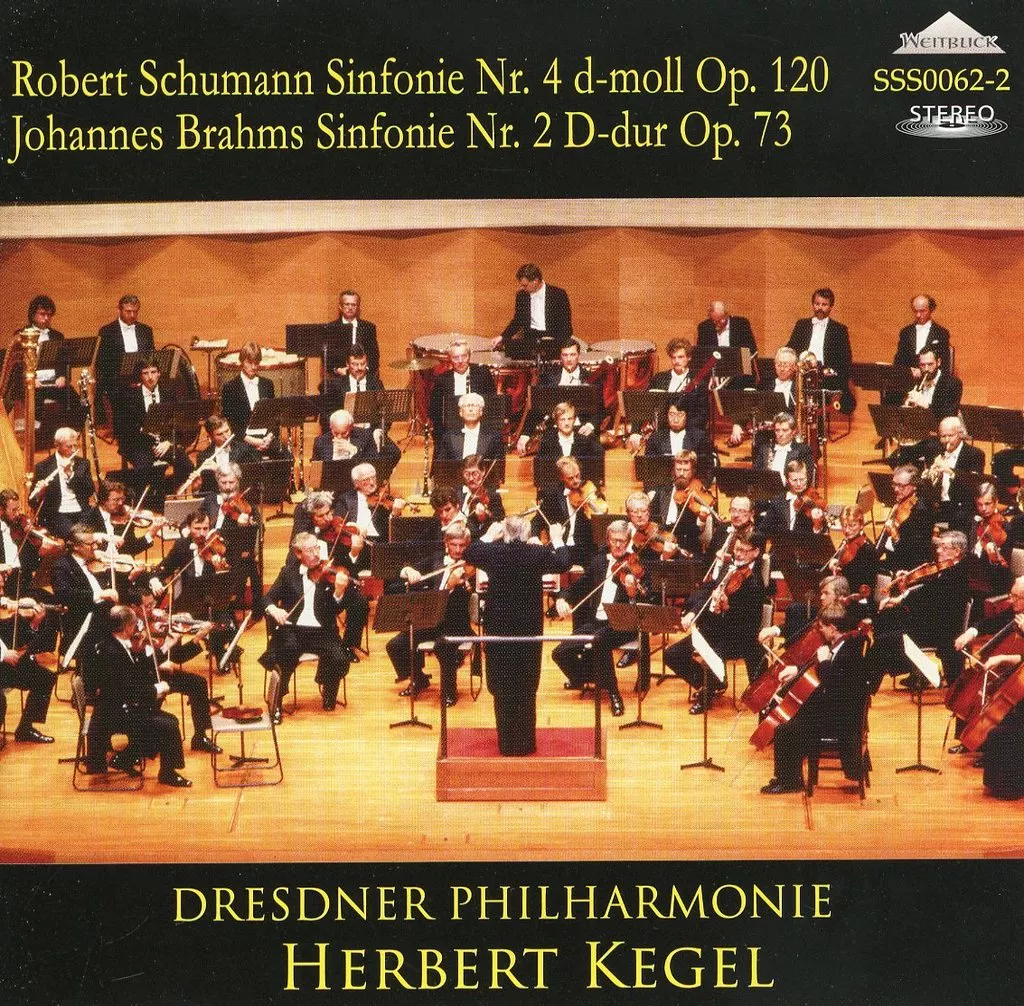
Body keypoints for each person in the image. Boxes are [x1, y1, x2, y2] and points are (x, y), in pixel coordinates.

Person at [465, 515, 571, 755]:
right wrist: (557, 539)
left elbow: (470, 552)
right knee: (526, 685)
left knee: (502, 686)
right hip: (528, 629)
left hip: (499, 629)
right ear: (526, 534)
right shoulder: (536, 553)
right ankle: (525, 744)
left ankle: (506, 744)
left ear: (505, 533)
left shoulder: (493, 552)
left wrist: (489, 535)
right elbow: (564, 562)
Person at [760, 603, 872, 794]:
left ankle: (789, 781)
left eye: (823, 627)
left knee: (785, 727)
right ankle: (788, 777)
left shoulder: (848, 653)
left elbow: (835, 687)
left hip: (842, 720)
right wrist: (798, 670)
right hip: (838, 708)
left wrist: (825, 662)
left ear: (833, 628)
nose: (820, 631)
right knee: (790, 716)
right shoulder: (843, 644)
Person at [83, 604, 191, 787]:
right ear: (126, 628)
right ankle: (167, 773)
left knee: (166, 720)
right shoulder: (113, 653)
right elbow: (129, 690)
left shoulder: (114, 644)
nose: (136, 629)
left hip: (118, 706)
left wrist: (161, 649)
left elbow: (133, 674)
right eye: (134, 625)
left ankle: (126, 758)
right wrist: (157, 689)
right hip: (115, 713)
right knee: (168, 725)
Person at [663, 530, 767, 713]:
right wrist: (692, 614)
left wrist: (727, 608)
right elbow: (707, 589)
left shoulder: (755, 583)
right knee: (672, 655)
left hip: (738, 636)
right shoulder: (730, 567)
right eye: (736, 549)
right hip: (713, 629)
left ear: (756, 552)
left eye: (743, 550)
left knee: (712, 655)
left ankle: (707, 693)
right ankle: (714, 683)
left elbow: (749, 623)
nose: (738, 554)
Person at [552, 521, 649, 715]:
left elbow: (646, 598)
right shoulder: (598, 562)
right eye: (614, 540)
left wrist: (632, 593)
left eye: (622, 541)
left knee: (600, 641)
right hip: (596, 622)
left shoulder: (636, 564)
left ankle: (614, 693)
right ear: (608, 540)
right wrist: (562, 598)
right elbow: (578, 587)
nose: (618, 545)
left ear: (628, 541)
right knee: (560, 653)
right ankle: (586, 678)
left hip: (622, 624)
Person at [258, 532, 359, 718]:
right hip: (292, 629)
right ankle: (277, 700)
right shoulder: (288, 573)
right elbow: (267, 598)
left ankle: (328, 690)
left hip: (322, 631)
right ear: (298, 553)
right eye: (310, 550)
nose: (316, 554)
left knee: (339, 657)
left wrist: (338, 592)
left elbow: (335, 610)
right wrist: (274, 609)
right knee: (286, 650)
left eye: (317, 548)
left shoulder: (328, 573)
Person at [388, 524, 475, 705]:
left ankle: (449, 691)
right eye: (454, 545)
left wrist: (452, 585)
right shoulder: (436, 560)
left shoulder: (471, 568)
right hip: (430, 620)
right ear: (446, 543)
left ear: (467, 545)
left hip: (455, 623)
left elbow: (464, 600)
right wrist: (409, 571)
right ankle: (418, 678)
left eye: (462, 545)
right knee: (396, 645)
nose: (458, 550)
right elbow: (404, 569)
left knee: (443, 646)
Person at [113, 356, 194, 505]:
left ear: (159, 373)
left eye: (153, 372)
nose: (150, 377)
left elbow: (178, 424)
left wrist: (168, 442)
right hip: (140, 445)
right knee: (144, 470)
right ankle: (147, 502)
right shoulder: (129, 397)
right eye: (146, 373)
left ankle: (165, 491)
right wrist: (142, 432)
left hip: (164, 444)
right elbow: (122, 428)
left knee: (187, 466)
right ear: (140, 375)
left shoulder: (168, 394)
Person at [0, 567, 55, 744]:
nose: (2, 594)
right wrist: (3, 654)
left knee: (45, 677)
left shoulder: (7, 615)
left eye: (2, 588)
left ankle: (25, 728)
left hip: (6, 663)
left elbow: (23, 643)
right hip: (2, 660)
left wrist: (35, 623)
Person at [787, 287, 855, 413]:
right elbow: (791, 349)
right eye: (817, 304)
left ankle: (817, 418)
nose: (820, 308)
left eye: (824, 305)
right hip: (803, 374)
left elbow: (845, 360)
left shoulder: (839, 330)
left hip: (826, 377)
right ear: (813, 305)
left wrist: (830, 371)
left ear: (831, 307)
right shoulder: (801, 325)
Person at [532, 455, 602, 566]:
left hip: (584, 549)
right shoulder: (552, 495)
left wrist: (591, 503)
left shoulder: (590, 490)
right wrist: (534, 537)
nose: (576, 481)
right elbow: (537, 521)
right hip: (561, 547)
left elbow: (601, 517)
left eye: (577, 475)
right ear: (561, 477)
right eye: (570, 478)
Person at [496, 263, 573, 360]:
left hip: (553, 340)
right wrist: (502, 337)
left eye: (525, 285)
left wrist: (559, 344)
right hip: (530, 340)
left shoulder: (558, 294)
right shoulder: (522, 295)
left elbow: (565, 324)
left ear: (535, 281)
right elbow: (518, 320)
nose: (523, 288)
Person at [30, 427, 96, 540]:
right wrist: (40, 492)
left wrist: (70, 474)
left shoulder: (83, 464)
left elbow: (89, 491)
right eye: (69, 447)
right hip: (57, 514)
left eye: (75, 446)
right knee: (77, 537)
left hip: (81, 511)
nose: (73, 450)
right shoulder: (43, 467)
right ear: (57, 445)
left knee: (93, 535)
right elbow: (31, 501)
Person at [95, 294, 155, 411]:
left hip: (143, 384)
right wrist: (122, 381)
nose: (132, 315)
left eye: (135, 312)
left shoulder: (146, 330)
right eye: (128, 311)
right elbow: (101, 363)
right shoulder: (107, 331)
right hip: (117, 387)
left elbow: (151, 358)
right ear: (119, 310)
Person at [220, 342, 281, 456]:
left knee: (286, 456)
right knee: (247, 456)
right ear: (242, 361)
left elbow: (274, 417)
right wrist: (253, 441)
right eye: (249, 362)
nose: (253, 367)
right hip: (242, 440)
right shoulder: (230, 387)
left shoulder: (267, 384)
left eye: (256, 362)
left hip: (266, 438)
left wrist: (269, 437)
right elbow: (230, 422)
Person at [428, 340, 497, 433]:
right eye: (456, 357)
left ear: (469, 356)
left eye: (464, 356)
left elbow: (492, 405)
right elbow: (434, 412)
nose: (460, 361)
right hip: (452, 432)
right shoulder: (442, 380)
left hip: (480, 430)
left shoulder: (482, 374)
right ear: (449, 358)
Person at [648, 337, 711, 430]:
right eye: (673, 357)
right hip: (663, 430)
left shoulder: (698, 381)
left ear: (689, 357)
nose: (676, 361)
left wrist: (680, 426)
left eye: (680, 357)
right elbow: (645, 405)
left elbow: (703, 414)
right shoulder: (659, 378)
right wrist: (635, 432)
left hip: (689, 430)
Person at [189, 414, 260, 495]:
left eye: (227, 431)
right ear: (211, 437)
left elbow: (252, 482)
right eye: (220, 434)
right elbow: (204, 495)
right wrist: (197, 488)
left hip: (240, 498)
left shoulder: (244, 450)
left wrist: (218, 470)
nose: (226, 437)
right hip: (215, 501)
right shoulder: (203, 457)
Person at [696, 300, 758, 389]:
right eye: (714, 321)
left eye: (720, 320)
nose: (717, 324)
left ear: (727, 315)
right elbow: (701, 355)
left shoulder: (741, 324)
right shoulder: (704, 327)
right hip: (714, 375)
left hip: (738, 375)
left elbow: (751, 350)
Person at [758, 460, 828, 538]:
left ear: (807, 478)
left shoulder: (814, 497)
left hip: (805, 544)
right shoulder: (778, 501)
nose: (799, 484)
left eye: (802, 479)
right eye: (794, 480)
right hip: (782, 544)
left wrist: (817, 524)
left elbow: (823, 533)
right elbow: (763, 530)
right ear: (787, 480)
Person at [633, 401, 714, 464]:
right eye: (672, 414)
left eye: (680, 415)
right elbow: (649, 468)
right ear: (666, 416)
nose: (675, 420)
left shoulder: (699, 437)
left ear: (687, 416)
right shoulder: (656, 438)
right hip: (663, 480)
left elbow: (707, 467)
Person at [432, 392, 506, 462]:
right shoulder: (449, 437)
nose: (471, 409)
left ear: (481, 412)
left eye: (474, 405)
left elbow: (498, 466)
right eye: (467, 406)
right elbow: (441, 466)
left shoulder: (494, 437)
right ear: (461, 412)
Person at [325, 290, 381, 379]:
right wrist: (337, 370)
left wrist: (364, 370)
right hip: (339, 378)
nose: (350, 307)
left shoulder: (368, 327)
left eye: (353, 305)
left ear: (358, 307)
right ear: (340, 307)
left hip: (364, 377)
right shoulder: (330, 328)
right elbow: (326, 356)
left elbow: (374, 354)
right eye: (347, 304)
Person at [893, 294, 951, 373]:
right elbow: (899, 361)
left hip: (931, 376)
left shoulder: (941, 333)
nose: (918, 315)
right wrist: (909, 371)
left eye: (922, 311)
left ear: (931, 309)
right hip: (908, 376)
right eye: (915, 311)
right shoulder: (905, 332)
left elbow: (944, 363)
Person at [752, 411, 816, 483]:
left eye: (785, 430)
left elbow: (807, 478)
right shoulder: (765, 449)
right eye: (777, 430)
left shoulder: (803, 450)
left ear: (793, 431)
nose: (780, 434)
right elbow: (755, 474)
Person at [535, 401, 603, 459]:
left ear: (574, 420)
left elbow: (598, 460)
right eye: (562, 419)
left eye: (570, 419)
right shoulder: (547, 442)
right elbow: (541, 466)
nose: (567, 423)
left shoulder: (586, 440)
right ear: (556, 422)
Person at [459, 454, 505, 538]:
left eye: (475, 474)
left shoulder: (493, 496)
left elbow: (499, 525)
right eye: (467, 474)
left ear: (483, 471)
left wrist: (484, 519)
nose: (471, 478)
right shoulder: (458, 494)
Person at [312, 408, 378, 463]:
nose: (339, 437)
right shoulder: (320, 442)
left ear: (351, 427)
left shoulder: (365, 436)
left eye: (344, 433)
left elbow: (374, 463)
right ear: (331, 427)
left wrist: (354, 451)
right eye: (335, 433)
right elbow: (316, 468)